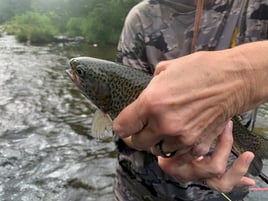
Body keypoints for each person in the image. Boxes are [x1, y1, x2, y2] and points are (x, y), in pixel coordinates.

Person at [113, 0, 268, 201]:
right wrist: (160, 142)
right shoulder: (142, 16)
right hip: (138, 190)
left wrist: (244, 72)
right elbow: (120, 117)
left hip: (223, 191)